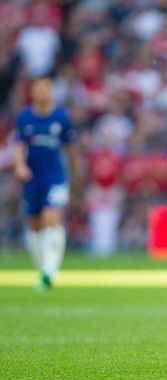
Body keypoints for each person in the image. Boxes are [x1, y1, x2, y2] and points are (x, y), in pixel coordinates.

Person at [13, 75, 79, 290]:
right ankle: (43, 267)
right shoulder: (24, 117)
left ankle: (50, 271)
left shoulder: (61, 117)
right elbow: (18, 146)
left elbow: (70, 149)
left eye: (46, 87)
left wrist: (75, 174)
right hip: (33, 178)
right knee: (34, 224)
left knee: (52, 217)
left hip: (55, 177)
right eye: (39, 87)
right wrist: (20, 166)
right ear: (32, 91)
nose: (42, 91)